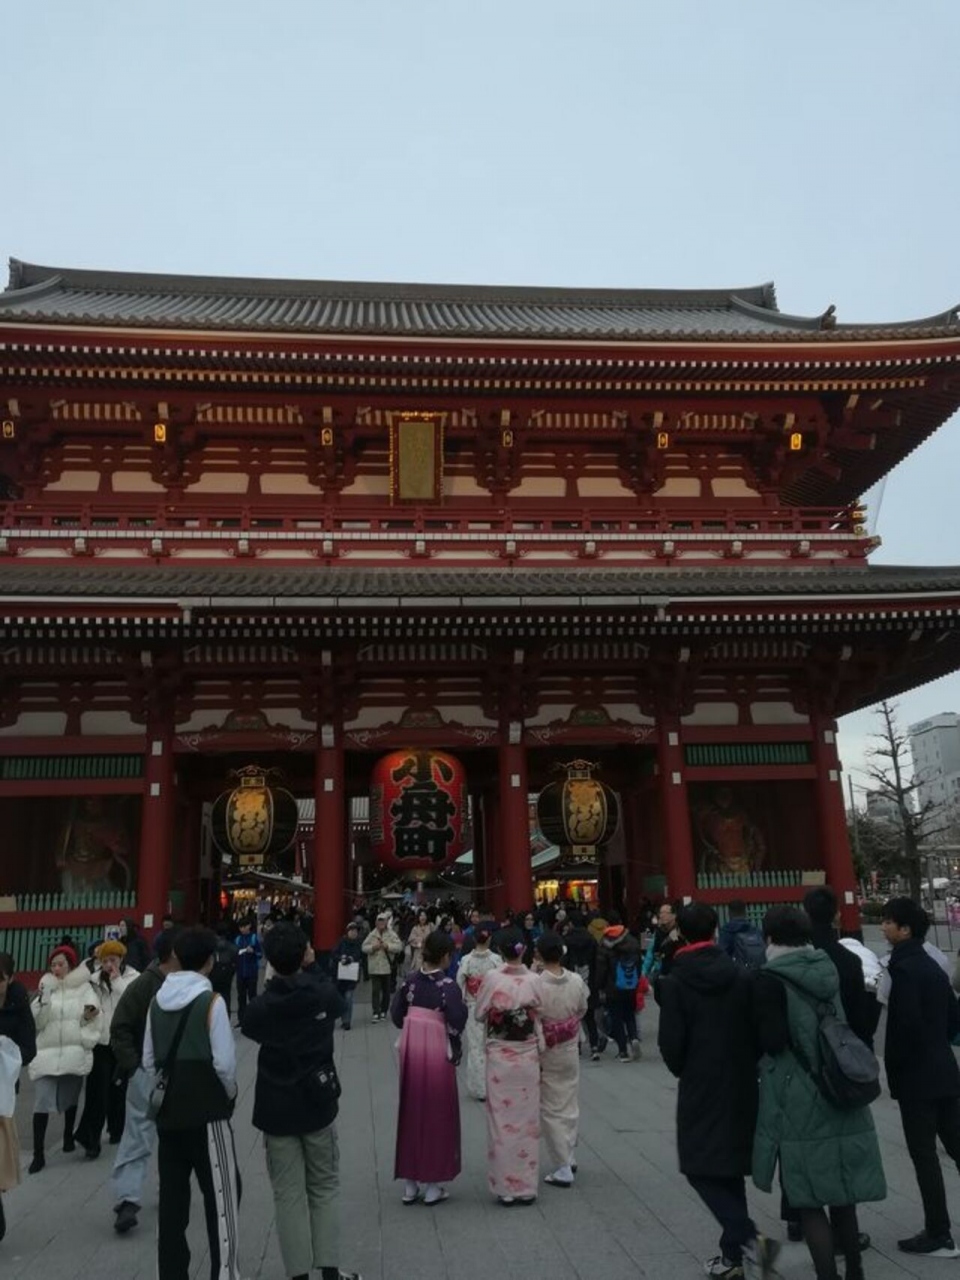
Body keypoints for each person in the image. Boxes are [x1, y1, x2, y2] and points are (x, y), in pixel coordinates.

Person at [753, 906, 885, 1280]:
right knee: (843, 1194)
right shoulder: (829, 968)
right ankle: (855, 1271)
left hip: (798, 1094)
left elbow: (772, 1041)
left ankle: (827, 1275)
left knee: (808, 1198)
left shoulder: (768, 980)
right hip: (840, 1084)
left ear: (769, 938)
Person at [658, 903, 777, 1280]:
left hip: (700, 1080)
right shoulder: (742, 976)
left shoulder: (675, 982)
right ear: (714, 930)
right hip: (741, 1078)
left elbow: (670, 1043)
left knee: (699, 1164)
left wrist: (685, 1067)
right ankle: (733, 1256)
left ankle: (749, 1239)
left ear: (681, 933)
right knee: (728, 1164)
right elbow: (759, 1029)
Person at [241, 923, 361, 1280]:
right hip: (317, 1101)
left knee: (288, 1194)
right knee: (324, 1187)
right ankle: (330, 1271)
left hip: (277, 1106)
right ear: (305, 954)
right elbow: (337, 1000)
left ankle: (298, 1275)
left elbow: (249, 1026)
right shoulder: (321, 995)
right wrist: (312, 966)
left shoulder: (262, 1008)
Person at [143, 925, 241, 1280]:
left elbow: (148, 1059)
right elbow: (224, 1064)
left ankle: (171, 1273)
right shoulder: (211, 1002)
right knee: (222, 1197)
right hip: (207, 1113)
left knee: (172, 1202)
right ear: (210, 961)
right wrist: (229, 1093)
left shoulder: (156, 1002)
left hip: (169, 1113)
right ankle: (225, 1273)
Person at [882, 896, 960, 1257]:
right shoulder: (932, 965)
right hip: (944, 1069)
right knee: (956, 1144)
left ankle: (939, 1231)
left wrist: (895, 1067)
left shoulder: (902, 970)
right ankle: (938, 1230)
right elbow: (954, 1019)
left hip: (917, 1078)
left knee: (925, 1156)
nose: (884, 927)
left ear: (905, 929)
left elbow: (904, 1027)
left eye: (889, 922)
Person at [109, 926, 181, 1234]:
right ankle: (127, 1198)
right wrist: (133, 1066)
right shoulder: (143, 986)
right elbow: (120, 1027)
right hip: (145, 1071)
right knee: (138, 1133)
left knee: (174, 1136)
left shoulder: (188, 983)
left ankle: (171, 1188)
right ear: (173, 953)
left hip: (180, 1072)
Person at [390, 930, 467, 1206]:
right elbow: (457, 1020)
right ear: (446, 956)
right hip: (435, 1048)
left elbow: (397, 1016)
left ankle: (410, 1184)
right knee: (437, 1111)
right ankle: (434, 1184)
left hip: (412, 1048)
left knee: (412, 1108)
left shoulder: (409, 982)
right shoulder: (448, 987)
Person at [473, 927, 543, 1205]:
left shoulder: (492, 978)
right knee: (527, 1120)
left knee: (501, 1120)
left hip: (501, 1055)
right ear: (523, 949)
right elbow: (542, 1012)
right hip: (527, 1054)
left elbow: (479, 1013)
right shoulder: (534, 979)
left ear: (500, 951)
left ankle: (506, 1187)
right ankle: (526, 1186)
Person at [28, 943, 101, 1173]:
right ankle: (38, 1154)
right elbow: (37, 1023)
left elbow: (93, 1014)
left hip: (72, 1050)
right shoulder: (45, 988)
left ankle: (68, 1135)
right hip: (46, 1052)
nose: (56, 969)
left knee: (70, 1098)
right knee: (41, 1102)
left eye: (61, 964)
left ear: (70, 965)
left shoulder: (83, 988)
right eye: (53, 965)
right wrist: (43, 999)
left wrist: (84, 1032)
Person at [74, 939, 139, 1157]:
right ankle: (91, 1139)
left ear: (121, 959)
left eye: (113, 960)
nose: (109, 965)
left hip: (122, 1041)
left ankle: (116, 1129)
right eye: (105, 961)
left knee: (118, 1089)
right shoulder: (93, 981)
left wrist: (117, 980)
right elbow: (82, 1008)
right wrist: (86, 1015)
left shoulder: (133, 978)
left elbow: (131, 1002)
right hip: (101, 1042)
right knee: (97, 1092)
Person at [535, 931, 588, 1188]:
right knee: (568, 1099)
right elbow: (582, 1008)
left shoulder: (537, 984)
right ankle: (570, 1152)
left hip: (547, 1046)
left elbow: (533, 1016)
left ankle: (563, 1165)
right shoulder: (576, 980)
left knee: (551, 1106)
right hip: (569, 1045)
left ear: (538, 954)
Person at [0, 952, 37, 1240]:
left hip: (3, 1093)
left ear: (10, 978)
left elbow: (29, 1049)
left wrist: (6, 1053)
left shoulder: (18, 1003)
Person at [455, 925, 502, 1099]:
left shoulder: (466, 960)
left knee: (476, 1047)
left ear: (474, 939)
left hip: (473, 1005)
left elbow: (460, 983)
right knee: (493, 1045)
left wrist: (463, 1000)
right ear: (489, 939)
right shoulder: (496, 960)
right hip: (493, 1006)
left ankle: (479, 1088)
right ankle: (494, 1085)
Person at [597, 915, 644, 1061]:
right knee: (630, 1014)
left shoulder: (604, 944)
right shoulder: (632, 941)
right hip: (630, 984)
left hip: (612, 987)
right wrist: (636, 980)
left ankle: (623, 1051)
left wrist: (600, 986)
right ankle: (634, 1038)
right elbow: (639, 964)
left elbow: (601, 968)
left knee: (616, 1018)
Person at [563, 911, 607, 1060]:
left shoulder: (567, 940)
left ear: (570, 923)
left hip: (572, 982)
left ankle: (577, 1046)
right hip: (589, 981)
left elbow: (564, 961)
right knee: (590, 1017)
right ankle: (594, 1047)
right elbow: (597, 961)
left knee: (573, 1017)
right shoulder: (591, 939)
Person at [362, 913, 402, 1022]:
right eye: (379, 921)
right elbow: (363, 947)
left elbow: (399, 946)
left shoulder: (391, 934)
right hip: (374, 967)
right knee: (375, 990)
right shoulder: (372, 934)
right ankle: (376, 1011)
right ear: (376, 922)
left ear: (386, 922)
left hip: (386, 967)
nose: (381, 923)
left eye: (383, 921)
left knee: (386, 990)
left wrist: (388, 946)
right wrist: (372, 947)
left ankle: (384, 1010)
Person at [331, 922, 363, 1030]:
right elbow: (334, 954)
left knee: (349, 997)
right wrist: (341, 958)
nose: (354, 933)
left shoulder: (359, 943)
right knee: (340, 997)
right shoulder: (341, 942)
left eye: (355, 931)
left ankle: (347, 1021)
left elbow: (359, 955)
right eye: (352, 931)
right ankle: (341, 1016)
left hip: (352, 975)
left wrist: (351, 959)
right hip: (340, 976)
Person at [717, 900, 766, 970]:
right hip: (757, 970)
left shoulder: (726, 931)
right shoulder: (755, 931)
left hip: (736, 972)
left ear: (729, 913)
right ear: (745, 912)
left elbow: (722, 955)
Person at [643, 900, 682, 979]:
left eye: (665, 913)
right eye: (661, 913)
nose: (662, 915)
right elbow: (649, 954)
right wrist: (643, 974)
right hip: (659, 971)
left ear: (674, 915)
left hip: (676, 972)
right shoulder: (656, 931)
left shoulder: (680, 932)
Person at [234, 919, 262, 1020]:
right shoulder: (238, 939)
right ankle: (241, 1019)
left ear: (249, 926)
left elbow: (260, 954)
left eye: (244, 927)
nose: (242, 929)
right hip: (240, 972)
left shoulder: (254, 938)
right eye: (240, 927)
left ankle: (253, 1018)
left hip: (252, 972)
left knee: (252, 996)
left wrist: (253, 952)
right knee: (241, 997)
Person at [210, 925, 239, 1018]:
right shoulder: (232, 947)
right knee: (226, 996)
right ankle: (226, 1016)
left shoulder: (212, 946)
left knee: (213, 998)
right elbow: (236, 960)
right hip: (227, 975)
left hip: (214, 974)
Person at [406, 909, 431, 974]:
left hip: (429, 954)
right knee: (418, 972)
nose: (423, 917)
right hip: (418, 953)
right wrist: (420, 940)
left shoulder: (430, 926)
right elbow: (411, 940)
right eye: (421, 916)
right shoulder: (415, 928)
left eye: (424, 915)